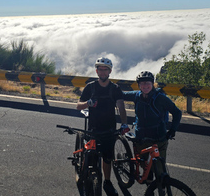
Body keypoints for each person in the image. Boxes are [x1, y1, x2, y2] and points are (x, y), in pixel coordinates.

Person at [77, 57, 128, 196]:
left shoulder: (115, 89)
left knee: (107, 158)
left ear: (110, 71)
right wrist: (88, 103)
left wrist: (124, 123)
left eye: (105, 69)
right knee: (91, 158)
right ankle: (85, 175)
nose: (103, 72)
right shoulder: (90, 87)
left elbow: (121, 107)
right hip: (93, 129)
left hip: (109, 130)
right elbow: (78, 106)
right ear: (97, 71)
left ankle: (107, 182)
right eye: (100, 69)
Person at [123, 71, 181, 161]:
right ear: (139, 85)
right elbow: (121, 95)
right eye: (142, 83)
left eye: (148, 83)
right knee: (145, 168)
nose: (145, 85)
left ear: (152, 84)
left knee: (159, 169)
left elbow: (177, 112)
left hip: (158, 138)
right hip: (141, 138)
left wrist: (173, 130)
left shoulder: (161, 98)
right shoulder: (136, 95)